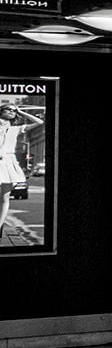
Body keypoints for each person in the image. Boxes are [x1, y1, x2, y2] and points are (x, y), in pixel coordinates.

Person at [0, 102, 44, 246]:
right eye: (9, 109)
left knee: (5, 197)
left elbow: (39, 122)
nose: (12, 111)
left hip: (7, 162)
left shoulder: (16, 129)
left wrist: (21, 112)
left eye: (14, 110)